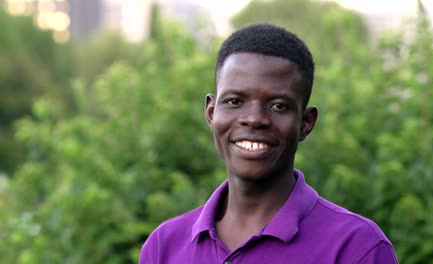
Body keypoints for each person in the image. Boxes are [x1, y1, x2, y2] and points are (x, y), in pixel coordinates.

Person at [139, 23, 398, 264]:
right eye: (234, 101)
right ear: (211, 112)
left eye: (278, 106)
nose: (254, 119)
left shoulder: (357, 247)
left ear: (305, 123)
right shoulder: (164, 247)